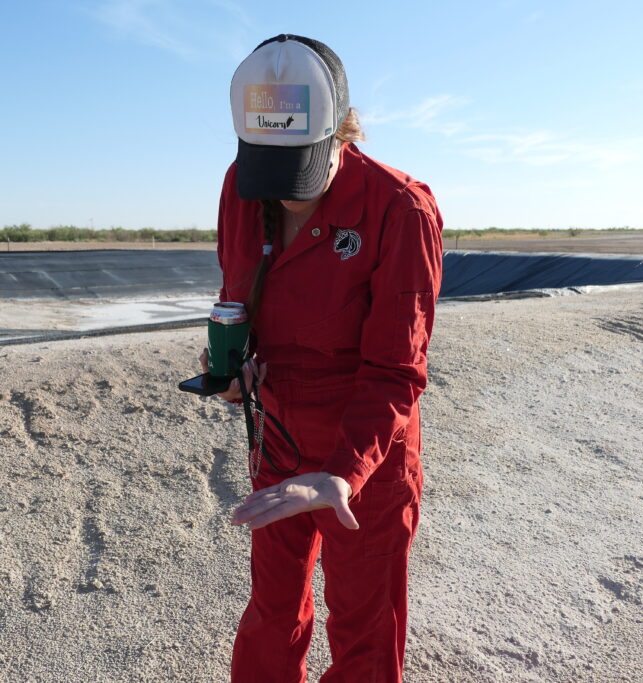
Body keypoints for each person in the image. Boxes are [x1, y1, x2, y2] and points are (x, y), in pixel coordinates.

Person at [205, 34, 443, 682]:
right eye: (268, 172)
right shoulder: (239, 189)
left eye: (299, 171)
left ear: (342, 132)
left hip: (366, 453)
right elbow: (237, 297)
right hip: (278, 435)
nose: (283, 195)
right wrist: (235, 370)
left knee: (367, 633)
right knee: (270, 616)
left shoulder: (401, 209)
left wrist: (343, 471)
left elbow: (396, 370)